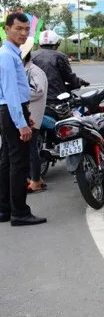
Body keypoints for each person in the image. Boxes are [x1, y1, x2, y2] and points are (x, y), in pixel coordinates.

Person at [0, 13, 47, 226]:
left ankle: (5, 209)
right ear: (7, 28)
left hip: (13, 110)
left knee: (8, 161)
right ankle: (20, 212)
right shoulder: (7, 56)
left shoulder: (11, 53)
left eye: (26, 29)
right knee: (18, 164)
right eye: (18, 28)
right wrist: (21, 123)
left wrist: (24, 117)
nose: (23, 33)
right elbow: (10, 93)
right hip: (12, 110)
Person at [20, 37, 48, 193]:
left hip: (32, 114)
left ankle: (36, 180)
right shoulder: (25, 69)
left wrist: (17, 94)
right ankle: (36, 178)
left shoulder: (34, 71)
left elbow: (38, 91)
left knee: (31, 150)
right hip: (26, 114)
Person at [32, 30, 89, 103]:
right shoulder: (60, 56)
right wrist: (80, 82)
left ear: (40, 44)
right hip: (56, 98)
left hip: (35, 97)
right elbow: (68, 77)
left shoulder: (31, 56)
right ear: (56, 44)